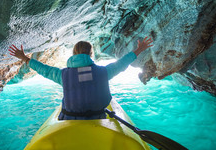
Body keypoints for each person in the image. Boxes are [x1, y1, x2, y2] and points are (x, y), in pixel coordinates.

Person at [9, 37, 153, 120]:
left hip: (70, 118)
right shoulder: (103, 72)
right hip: (97, 118)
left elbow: (44, 70)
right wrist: (139, 49)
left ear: (74, 54)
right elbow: (121, 64)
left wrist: (24, 58)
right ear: (91, 54)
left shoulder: (63, 75)